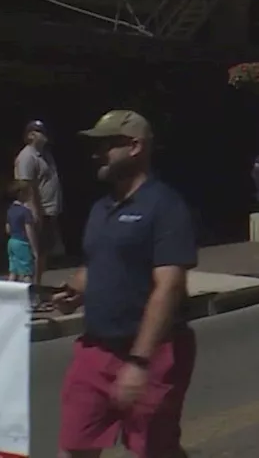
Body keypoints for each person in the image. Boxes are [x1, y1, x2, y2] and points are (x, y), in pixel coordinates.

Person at [53, 110, 198, 458]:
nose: (96, 154)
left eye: (105, 146)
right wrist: (74, 290)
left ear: (135, 147)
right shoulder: (101, 208)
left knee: (155, 450)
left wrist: (139, 361)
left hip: (153, 352)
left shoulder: (166, 206)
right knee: (73, 448)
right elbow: (98, 264)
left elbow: (169, 286)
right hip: (95, 350)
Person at [14, 119, 64, 262]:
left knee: (43, 253)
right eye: (39, 132)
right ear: (30, 135)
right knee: (33, 253)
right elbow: (27, 186)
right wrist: (35, 212)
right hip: (36, 211)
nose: (44, 135)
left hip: (49, 211)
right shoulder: (27, 156)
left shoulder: (45, 155)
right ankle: (31, 283)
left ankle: (38, 282)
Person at [6, 180, 39, 286]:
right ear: (21, 194)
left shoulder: (10, 210)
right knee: (27, 273)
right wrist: (34, 249)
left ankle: (8, 293)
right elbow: (29, 231)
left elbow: (7, 229)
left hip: (12, 242)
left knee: (13, 271)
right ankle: (28, 297)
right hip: (22, 243)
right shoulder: (25, 212)